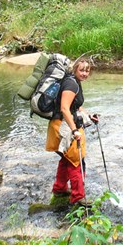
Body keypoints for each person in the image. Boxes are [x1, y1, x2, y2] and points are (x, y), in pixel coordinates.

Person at [45, 58, 98, 207]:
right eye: (81, 69)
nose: (85, 73)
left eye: (87, 70)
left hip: (62, 126)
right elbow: (64, 108)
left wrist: (89, 116)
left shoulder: (74, 82)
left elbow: (76, 107)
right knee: (76, 162)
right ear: (75, 69)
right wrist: (75, 130)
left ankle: (60, 189)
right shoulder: (71, 83)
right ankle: (78, 198)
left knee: (67, 159)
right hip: (63, 129)